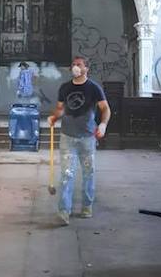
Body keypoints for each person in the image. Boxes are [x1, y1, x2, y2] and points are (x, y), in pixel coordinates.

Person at [48, 56, 111, 226]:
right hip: (68, 137)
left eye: (79, 65)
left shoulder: (93, 88)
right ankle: (64, 211)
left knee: (88, 174)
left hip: (87, 138)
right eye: (73, 65)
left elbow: (105, 108)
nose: (75, 67)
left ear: (86, 69)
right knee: (66, 175)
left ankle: (87, 206)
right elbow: (61, 109)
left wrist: (103, 125)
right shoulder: (65, 87)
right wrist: (54, 117)